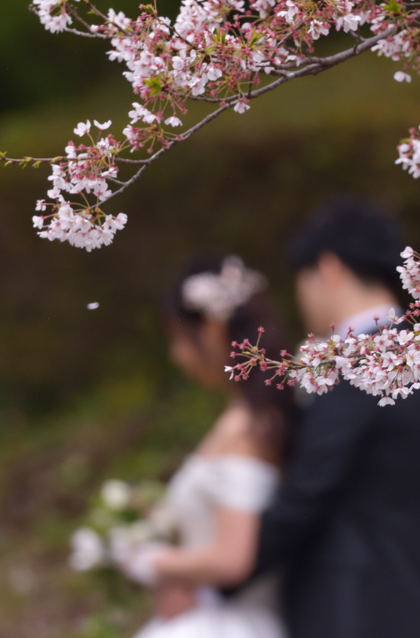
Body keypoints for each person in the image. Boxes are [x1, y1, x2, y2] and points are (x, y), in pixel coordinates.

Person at [245, 200, 420, 638]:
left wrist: (223, 572)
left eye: (301, 281)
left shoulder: (361, 369)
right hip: (406, 600)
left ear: (329, 267)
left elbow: (306, 493)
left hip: (347, 610)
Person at [123, 254, 297, 638]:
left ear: (213, 330)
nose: (177, 356)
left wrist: (152, 562)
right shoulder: (248, 421)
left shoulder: (245, 431)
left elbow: (235, 557)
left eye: (178, 339)